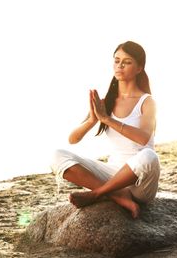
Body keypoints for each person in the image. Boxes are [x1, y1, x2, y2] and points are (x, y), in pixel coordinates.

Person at [51, 40, 160, 219]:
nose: (120, 65)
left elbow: (143, 138)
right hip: (114, 175)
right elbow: (73, 139)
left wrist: (107, 119)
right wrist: (93, 120)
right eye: (117, 60)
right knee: (57, 155)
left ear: (139, 67)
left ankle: (97, 194)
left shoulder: (147, 102)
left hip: (140, 181)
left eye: (127, 62)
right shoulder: (106, 102)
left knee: (149, 156)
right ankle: (117, 195)